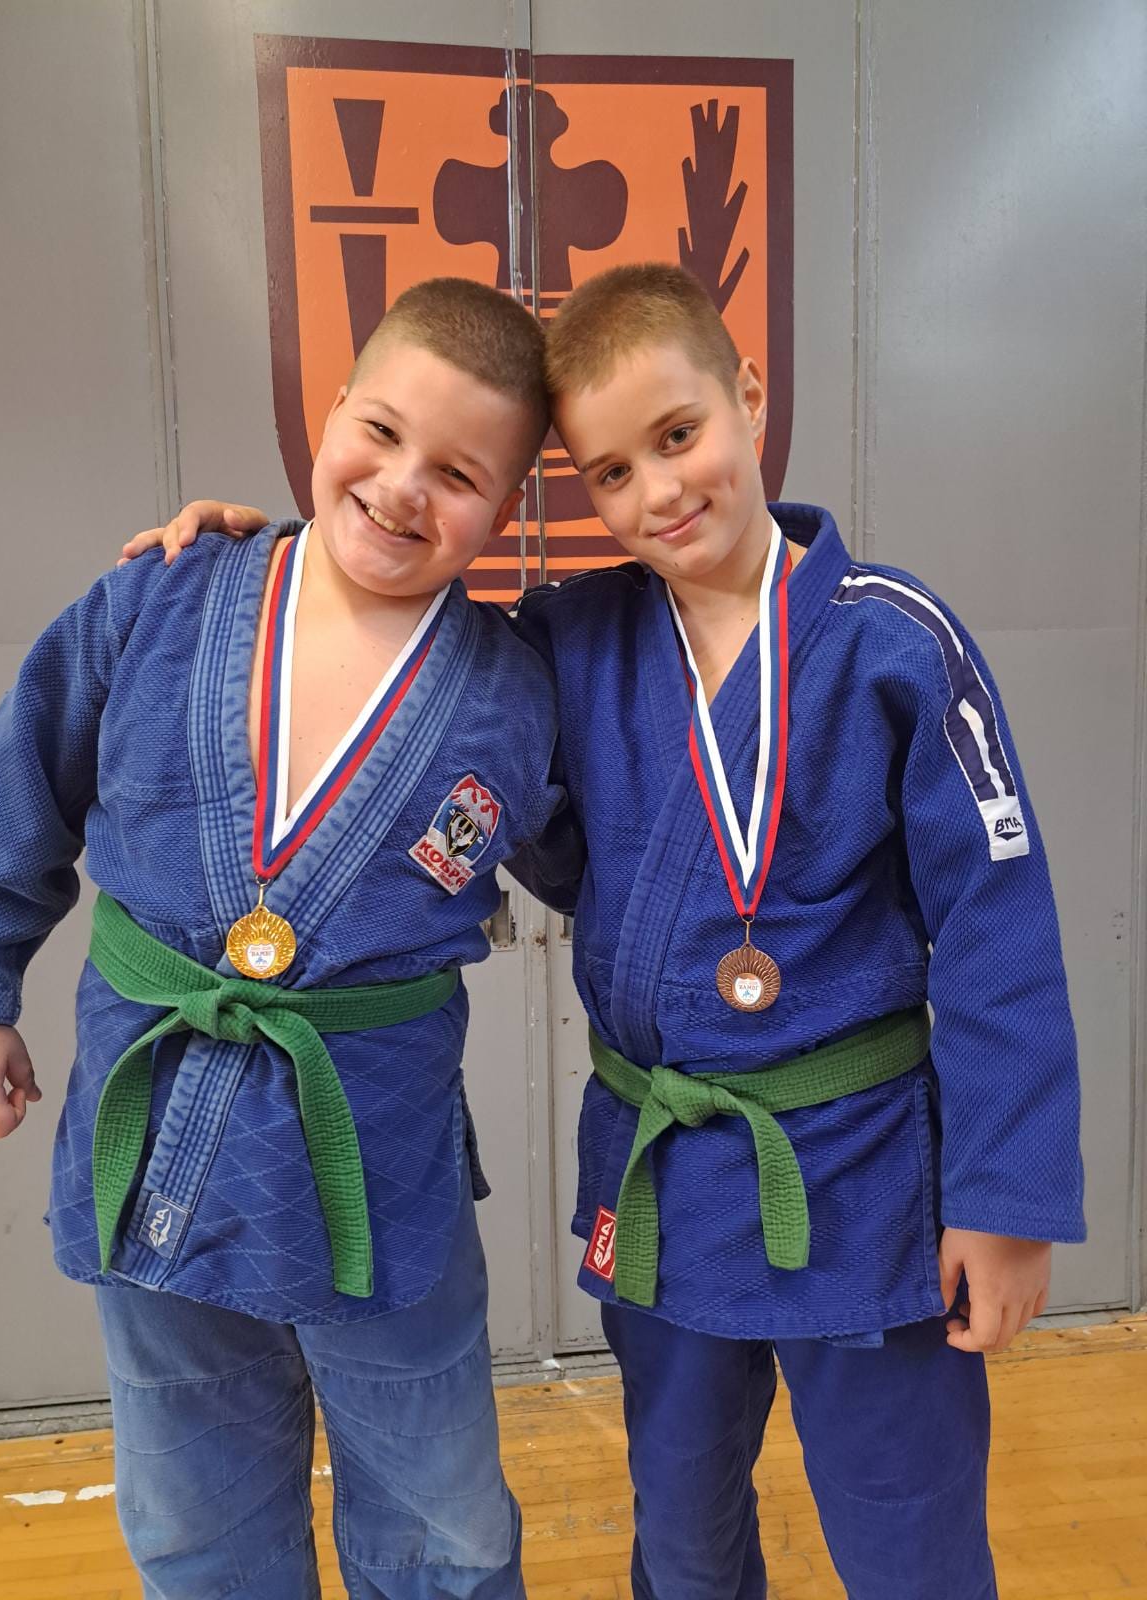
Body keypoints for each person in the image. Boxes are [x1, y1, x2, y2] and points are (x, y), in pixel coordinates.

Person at [124, 262, 1085, 1600]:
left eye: (679, 436)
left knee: (905, 1526)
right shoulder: (571, 640)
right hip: (667, 1179)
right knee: (681, 1526)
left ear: (750, 393)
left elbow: (997, 925)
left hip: (862, 1175)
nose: (659, 493)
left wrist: (1005, 1197)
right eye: (612, 473)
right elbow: (401, 620)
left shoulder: (895, 641)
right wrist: (255, 563)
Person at [0, 277, 566, 1600]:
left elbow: (609, 868)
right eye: (381, 433)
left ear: (507, 508)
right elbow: (10, 795)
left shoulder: (518, 691)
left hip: (378, 1167)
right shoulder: (165, 598)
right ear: (330, 410)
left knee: (445, 1522)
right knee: (192, 1512)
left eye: (459, 474)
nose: (402, 488)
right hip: (155, 1134)